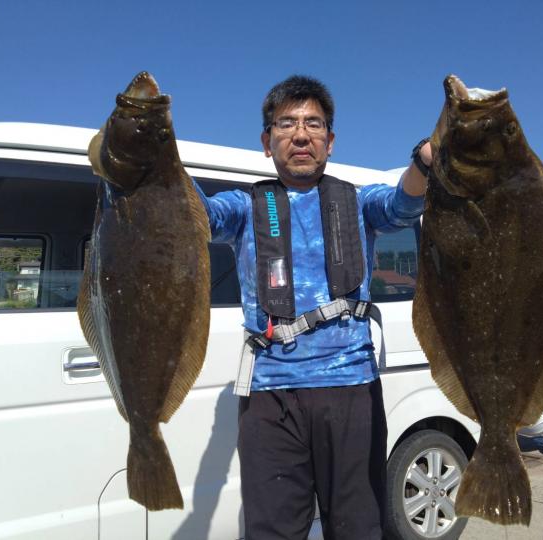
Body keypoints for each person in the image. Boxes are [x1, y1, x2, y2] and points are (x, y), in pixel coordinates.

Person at [193, 75, 430, 540]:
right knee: (272, 531)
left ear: (330, 141)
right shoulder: (243, 207)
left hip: (353, 389)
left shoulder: (360, 202)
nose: (300, 135)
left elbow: (404, 206)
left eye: (313, 124)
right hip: (270, 397)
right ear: (267, 142)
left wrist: (424, 161)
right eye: (286, 124)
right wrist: (154, 161)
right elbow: (196, 217)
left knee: (359, 527)